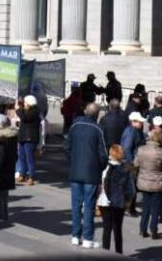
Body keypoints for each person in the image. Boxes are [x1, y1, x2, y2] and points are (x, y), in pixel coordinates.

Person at [66, 102, 108, 249]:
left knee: (76, 205)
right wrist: (100, 167)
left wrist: (73, 162)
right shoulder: (98, 129)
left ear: (85, 111)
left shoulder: (74, 126)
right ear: (97, 114)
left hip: (76, 170)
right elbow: (104, 154)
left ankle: (75, 235)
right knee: (89, 206)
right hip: (91, 172)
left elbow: (67, 147)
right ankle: (88, 238)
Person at [98, 144, 135, 254]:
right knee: (118, 228)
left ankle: (105, 253)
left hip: (105, 201)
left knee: (106, 228)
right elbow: (131, 189)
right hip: (119, 201)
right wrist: (128, 200)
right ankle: (119, 253)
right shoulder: (125, 169)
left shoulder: (105, 167)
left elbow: (99, 184)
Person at [133, 130, 162, 239]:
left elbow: (136, 164)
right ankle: (153, 230)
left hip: (143, 181)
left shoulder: (141, 149)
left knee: (146, 206)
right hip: (157, 181)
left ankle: (143, 229)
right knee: (155, 208)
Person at [0, 114, 17, 224]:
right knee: (4, 196)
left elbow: (0, 158)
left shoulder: (1, 138)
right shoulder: (12, 136)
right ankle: (4, 216)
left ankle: (0, 216)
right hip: (9, 170)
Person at [15, 95, 41, 185]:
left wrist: (18, 109)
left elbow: (25, 118)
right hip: (22, 137)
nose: (24, 104)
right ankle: (22, 174)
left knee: (29, 158)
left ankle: (31, 176)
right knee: (21, 156)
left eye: (25, 102)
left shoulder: (34, 112)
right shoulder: (25, 111)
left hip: (30, 138)